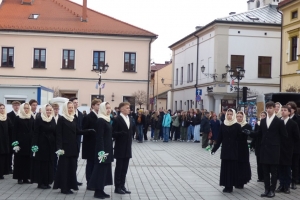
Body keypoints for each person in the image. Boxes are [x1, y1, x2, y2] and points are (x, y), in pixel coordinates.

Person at [246, 101, 287, 198]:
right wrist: (250, 133)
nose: (268, 110)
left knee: (273, 171)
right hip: (264, 149)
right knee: (265, 171)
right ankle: (266, 189)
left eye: (270, 108)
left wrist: (277, 144)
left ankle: (272, 190)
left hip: (274, 150)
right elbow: (259, 133)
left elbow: (284, 136)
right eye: (267, 108)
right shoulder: (263, 121)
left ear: (274, 109)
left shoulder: (279, 121)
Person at [53, 101, 94, 194]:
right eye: (69, 107)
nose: (71, 109)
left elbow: (77, 131)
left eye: (72, 107)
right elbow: (58, 135)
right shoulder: (61, 119)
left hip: (73, 147)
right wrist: (59, 148)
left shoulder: (73, 118)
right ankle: (64, 188)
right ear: (65, 108)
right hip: (64, 148)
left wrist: (88, 131)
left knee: (72, 167)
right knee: (64, 168)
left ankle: (70, 186)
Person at [211, 109, 242, 193]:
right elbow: (219, 138)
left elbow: (240, 139)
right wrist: (214, 149)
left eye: (231, 114)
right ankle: (226, 185)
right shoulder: (223, 125)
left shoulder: (237, 126)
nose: (229, 116)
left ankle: (231, 185)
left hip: (233, 150)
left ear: (234, 115)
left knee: (232, 168)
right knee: (225, 168)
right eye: (228, 114)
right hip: (225, 150)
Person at [88, 102, 113, 199]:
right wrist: (101, 151)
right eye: (106, 108)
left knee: (104, 171)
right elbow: (99, 137)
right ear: (103, 109)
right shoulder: (101, 121)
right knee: (100, 170)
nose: (108, 110)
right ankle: (97, 191)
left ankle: (101, 189)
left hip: (108, 148)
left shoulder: (107, 119)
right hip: (102, 150)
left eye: (109, 108)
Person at [31, 104, 56, 189]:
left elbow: (54, 131)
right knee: (42, 164)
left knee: (49, 163)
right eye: (47, 110)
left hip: (50, 144)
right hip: (42, 144)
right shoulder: (39, 119)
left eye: (50, 110)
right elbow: (36, 133)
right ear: (44, 111)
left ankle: (47, 181)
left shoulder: (52, 119)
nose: (49, 111)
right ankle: (40, 182)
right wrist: (34, 145)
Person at [275, 105, 300, 194]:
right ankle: (281, 185)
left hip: (288, 149)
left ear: (289, 112)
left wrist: (291, 144)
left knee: (287, 168)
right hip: (279, 148)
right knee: (280, 167)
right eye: (282, 110)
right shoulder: (277, 122)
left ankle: (287, 186)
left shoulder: (293, 123)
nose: (283, 111)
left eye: (285, 110)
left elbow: (297, 137)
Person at [112, 102, 134, 195]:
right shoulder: (117, 119)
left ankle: (122, 185)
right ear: (121, 109)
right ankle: (117, 187)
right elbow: (112, 133)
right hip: (120, 147)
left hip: (128, 147)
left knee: (125, 168)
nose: (129, 109)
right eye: (127, 108)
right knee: (119, 168)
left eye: (129, 108)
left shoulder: (130, 118)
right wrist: (120, 134)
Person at [12, 103, 34, 184]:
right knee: (20, 161)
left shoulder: (31, 117)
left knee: (28, 160)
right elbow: (14, 132)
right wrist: (15, 144)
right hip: (20, 142)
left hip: (29, 142)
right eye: (25, 108)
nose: (26, 110)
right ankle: (19, 177)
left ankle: (26, 177)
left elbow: (33, 129)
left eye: (28, 108)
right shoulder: (18, 118)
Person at [82, 99, 101, 187]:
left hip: (98, 143)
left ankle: (95, 181)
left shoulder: (101, 116)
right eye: (97, 104)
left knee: (96, 163)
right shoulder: (88, 117)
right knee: (90, 163)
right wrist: (90, 131)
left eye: (100, 104)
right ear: (93, 106)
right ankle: (89, 182)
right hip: (90, 143)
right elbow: (83, 129)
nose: (99, 106)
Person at [69, 97, 84, 186]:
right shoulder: (68, 114)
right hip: (70, 140)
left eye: (77, 102)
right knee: (70, 160)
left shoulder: (80, 114)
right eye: (74, 102)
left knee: (75, 160)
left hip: (78, 139)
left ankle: (74, 178)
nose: (76, 104)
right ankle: (69, 178)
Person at [235, 111, 252, 189]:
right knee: (235, 164)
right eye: (237, 116)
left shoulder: (247, 125)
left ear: (243, 117)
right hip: (235, 147)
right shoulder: (233, 125)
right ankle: (235, 180)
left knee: (242, 164)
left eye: (240, 116)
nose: (239, 118)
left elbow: (247, 135)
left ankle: (242, 181)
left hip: (243, 147)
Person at [286, 101, 300, 189]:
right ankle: (286, 181)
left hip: (295, 146)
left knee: (295, 164)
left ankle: (294, 181)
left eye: (290, 108)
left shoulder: (298, 119)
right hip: (285, 147)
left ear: (294, 110)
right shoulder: (283, 119)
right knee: (287, 164)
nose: (288, 109)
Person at [250, 111, 267, 182]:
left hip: (264, 144)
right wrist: (252, 144)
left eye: (264, 115)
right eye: (261, 115)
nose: (262, 117)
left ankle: (264, 176)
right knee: (258, 162)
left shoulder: (267, 123)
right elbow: (255, 134)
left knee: (264, 162)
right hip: (258, 144)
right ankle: (260, 177)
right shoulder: (258, 124)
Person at [7, 101, 20, 174]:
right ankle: (9, 167)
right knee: (10, 153)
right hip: (11, 136)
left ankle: (16, 167)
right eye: (15, 105)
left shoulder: (21, 114)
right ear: (12, 106)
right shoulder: (9, 115)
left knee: (17, 153)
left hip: (19, 136)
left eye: (18, 105)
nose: (16, 106)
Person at [0, 104, 13, 179]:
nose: (2, 110)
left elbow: (11, 128)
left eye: (3, 108)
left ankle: (2, 173)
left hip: (5, 141)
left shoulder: (6, 118)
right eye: (0, 108)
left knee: (3, 158)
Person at [51, 103, 60, 179]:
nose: (56, 110)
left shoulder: (60, 118)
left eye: (57, 109)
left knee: (56, 159)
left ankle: (56, 173)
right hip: (51, 141)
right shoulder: (50, 118)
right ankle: (52, 174)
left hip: (58, 141)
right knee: (52, 158)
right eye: (54, 109)